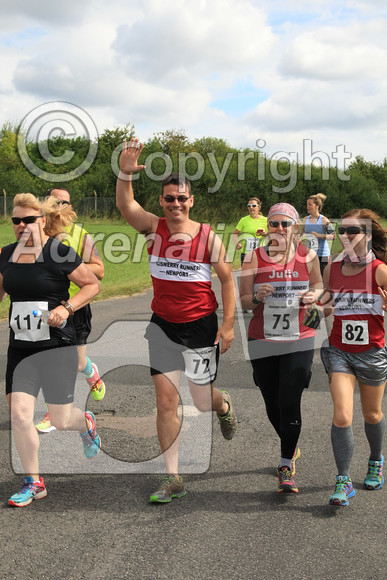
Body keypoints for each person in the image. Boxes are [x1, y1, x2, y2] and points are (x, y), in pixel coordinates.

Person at [116, 138, 237, 503]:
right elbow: (125, 204)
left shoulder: (207, 236)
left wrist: (228, 324)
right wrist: (125, 172)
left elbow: (228, 280)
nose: (175, 204)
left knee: (201, 401)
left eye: (181, 198)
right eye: (169, 198)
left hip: (200, 325)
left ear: (191, 200)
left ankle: (223, 404)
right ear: (162, 202)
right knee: (167, 402)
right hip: (163, 327)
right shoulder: (154, 228)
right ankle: (172, 477)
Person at [0, 193, 101, 507]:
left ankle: (84, 423)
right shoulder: (5, 255)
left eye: (28, 219)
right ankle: (34, 482)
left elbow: (92, 284)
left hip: (57, 346)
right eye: (16, 220)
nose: (21, 225)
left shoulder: (59, 252)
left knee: (59, 419)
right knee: (19, 415)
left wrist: (67, 308)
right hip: (21, 349)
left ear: (42, 221)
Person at [240, 202, 322, 493]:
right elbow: (244, 304)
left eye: (285, 224)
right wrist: (257, 297)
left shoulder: (308, 255)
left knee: (290, 400)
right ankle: (291, 441)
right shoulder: (252, 258)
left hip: (299, 337)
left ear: (295, 227)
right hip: (262, 338)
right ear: (267, 227)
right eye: (274, 224)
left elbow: (319, 286)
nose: (279, 229)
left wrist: (314, 295)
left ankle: (285, 462)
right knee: (271, 402)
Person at [320, 209, 387, 507]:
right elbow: (327, 302)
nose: (345, 236)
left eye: (352, 231)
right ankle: (343, 480)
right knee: (342, 415)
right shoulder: (332, 268)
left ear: (368, 235)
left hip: (372, 354)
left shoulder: (380, 271)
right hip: (339, 352)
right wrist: (319, 307)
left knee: (372, 414)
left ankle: (375, 459)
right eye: (342, 230)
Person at [34, 188, 106, 434]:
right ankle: (51, 412)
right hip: (45, 308)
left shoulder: (81, 235)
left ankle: (89, 370)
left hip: (75, 305)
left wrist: (69, 265)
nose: (60, 205)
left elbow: (100, 270)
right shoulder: (35, 231)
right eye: (56, 201)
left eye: (65, 202)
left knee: (75, 363)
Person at [301, 193, 335, 275]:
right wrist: (298, 238)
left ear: (317, 206)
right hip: (310, 253)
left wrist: (319, 235)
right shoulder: (306, 219)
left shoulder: (324, 220)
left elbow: (333, 236)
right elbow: (302, 232)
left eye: (310, 205)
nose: (307, 207)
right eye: (307, 205)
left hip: (322, 255)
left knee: (322, 278)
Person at [233, 197, 267, 266]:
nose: (251, 207)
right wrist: (237, 243)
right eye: (249, 206)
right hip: (246, 252)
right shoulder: (243, 220)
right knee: (246, 274)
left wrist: (265, 234)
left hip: (261, 252)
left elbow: (272, 235)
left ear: (259, 207)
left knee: (260, 274)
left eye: (254, 206)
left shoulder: (265, 220)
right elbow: (235, 234)